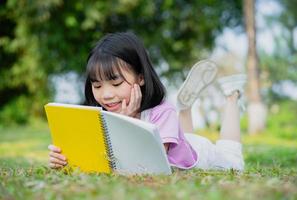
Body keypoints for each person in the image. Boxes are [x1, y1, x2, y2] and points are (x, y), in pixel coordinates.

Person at [48, 32, 246, 171]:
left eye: (116, 83)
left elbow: (152, 164)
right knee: (183, 137)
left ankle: (232, 95)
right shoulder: (98, 117)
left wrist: (125, 124)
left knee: (232, 159)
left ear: (141, 78)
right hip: (180, 142)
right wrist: (64, 160)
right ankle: (185, 110)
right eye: (97, 86)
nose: (106, 94)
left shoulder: (162, 112)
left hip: (199, 154)